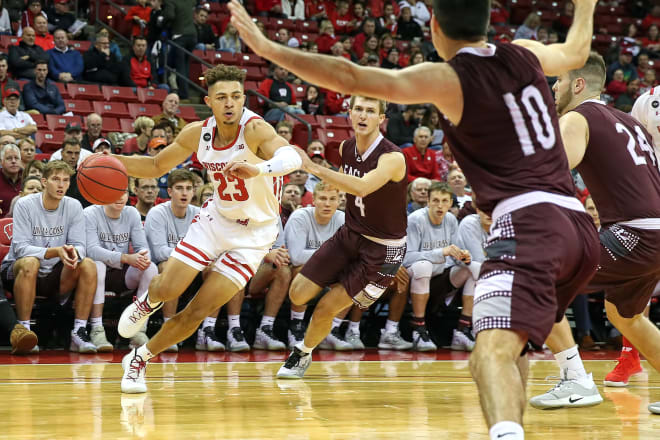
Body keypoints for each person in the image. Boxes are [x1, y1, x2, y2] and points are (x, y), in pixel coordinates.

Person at [227, 0, 600, 438]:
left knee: (488, 356)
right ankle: (561, 385)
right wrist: (587, 5)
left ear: (436, 28)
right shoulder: (522, 51)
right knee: (510, 345)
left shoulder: (449, 77)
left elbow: (351, 75)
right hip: (577, 225)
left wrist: (266, 47)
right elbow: (577, 52)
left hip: (525, 224)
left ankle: (516, 422)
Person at [115, 64, 302, 393]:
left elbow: (292, 158)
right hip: (216, 220)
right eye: (221, 98)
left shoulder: (255, 129)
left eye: (235, 96)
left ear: (243, 98)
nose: (229, 103)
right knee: (168, 288)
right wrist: (105, 161)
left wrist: (259, 169)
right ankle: (148, 302)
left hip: (255, 236)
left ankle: (138, 359)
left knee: (198, 310)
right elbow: (155, 165)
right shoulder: (196, 133)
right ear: (209, 101)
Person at [529, 53, 660, 415]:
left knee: (536, 277)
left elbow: (551, 175)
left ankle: (575, 380)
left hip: (633, 233)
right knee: (624, 316)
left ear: (579, 84)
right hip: (653, 235)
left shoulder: (578, 116)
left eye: (558, 81)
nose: (553, 87)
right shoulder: (628, 121)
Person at [273, 94, 407, 377]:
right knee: (297, 292)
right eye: (358, 108)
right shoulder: (346, 148)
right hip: (350, 234)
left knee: (325, 308)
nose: (363, 115)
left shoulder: (393, 157)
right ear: (349, 112)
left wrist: (311, 166)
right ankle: (341, 279)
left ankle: (303, 353)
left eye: (370, 111)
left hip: (382, 250)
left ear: (381, 119)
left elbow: (361, 188)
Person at [0, 160, 97, 353]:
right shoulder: (25, 204)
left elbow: (81, 246)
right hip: (18, 270)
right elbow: (19, 248)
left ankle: (78, 331)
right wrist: (56, 251)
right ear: (44, 182)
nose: (61, 185)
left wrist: (72, 253)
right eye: (55, 179)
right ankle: (23, 331)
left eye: (65, 180)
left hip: (55, 273)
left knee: (88, 265)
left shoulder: (74, 206)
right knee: (30, 262)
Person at [401, 182, 474, 351]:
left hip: (440, 275)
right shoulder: (415, 220)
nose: (439, 205)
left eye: (444, 201)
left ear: (450, 203)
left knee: (471, 268)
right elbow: (407, 257)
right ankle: (418, 328)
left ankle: (462, 330)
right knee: (423, 266)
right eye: (435, 200)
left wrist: (463, 257)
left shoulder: (450, 220)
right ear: (428, 201)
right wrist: (441, 252)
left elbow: (453, 253)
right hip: (414, 276)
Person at [84, 191, 158, 351]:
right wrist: (125, 257)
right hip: (94, 273)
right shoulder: (90, 213)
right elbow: (91, 250)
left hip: (123, 274)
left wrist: (143, 257)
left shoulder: (131, 213)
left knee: (150, 268)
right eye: (114, 192)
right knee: (98, 264)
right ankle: (97, 329)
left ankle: (138, 330)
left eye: (123, 192)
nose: (119, 197)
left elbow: (143, 248)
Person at [281, 181, 347, 349]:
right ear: (313, 201)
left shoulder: (343, 219)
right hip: (298, 273)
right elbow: (296, 257)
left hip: (331, 272)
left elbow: (349, 257)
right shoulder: (300, 217)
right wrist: (332, 256)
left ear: (339, 201)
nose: (327, 203)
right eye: (323, 198)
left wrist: (332, 259)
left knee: (354, 276)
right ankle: (296, 326)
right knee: (303, 269)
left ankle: (332, 329)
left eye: (332, 199)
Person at [0, 143, 22, 217]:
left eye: (16, 158)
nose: (13, 161)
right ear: (1, 162)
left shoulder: (27, 177)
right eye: (9, 158)